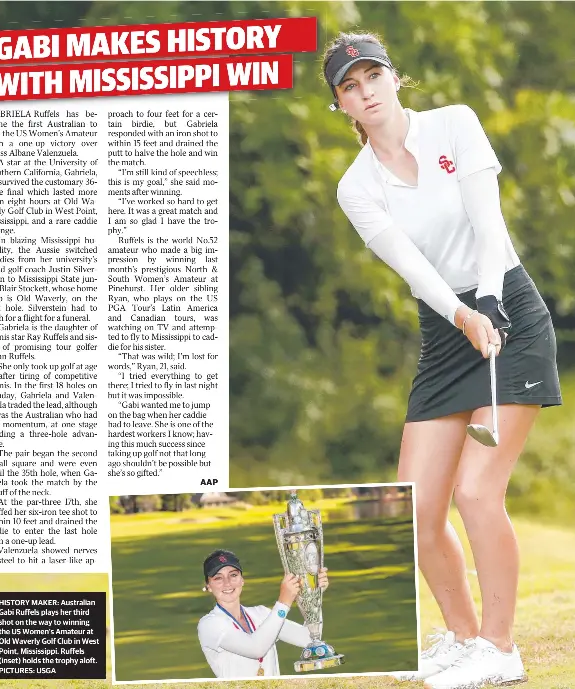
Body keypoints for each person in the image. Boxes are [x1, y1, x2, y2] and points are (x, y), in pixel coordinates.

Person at [323, 32, 561, 689]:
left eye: (372, 74)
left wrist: (486, 302)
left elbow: (488, 222)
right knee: (415, 510)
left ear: (395, 79)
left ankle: (500, 646)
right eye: (349, 84)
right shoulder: (356, 186)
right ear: (340, 105)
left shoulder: (454, 124)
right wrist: (461, 314)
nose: (365, 89)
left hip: (507, 307)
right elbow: (413, 267)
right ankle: (462, 638)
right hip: (444, 324)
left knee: (476, 489)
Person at [197, 549, 329, 678]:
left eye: (233, 575)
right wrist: (284, 602)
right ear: (208, 585)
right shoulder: (209, 624)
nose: (227, 583)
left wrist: (314, 597)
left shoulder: (261, 613)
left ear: (242, 580)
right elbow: (256, 649)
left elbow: (307, 638)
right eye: (218, 578)